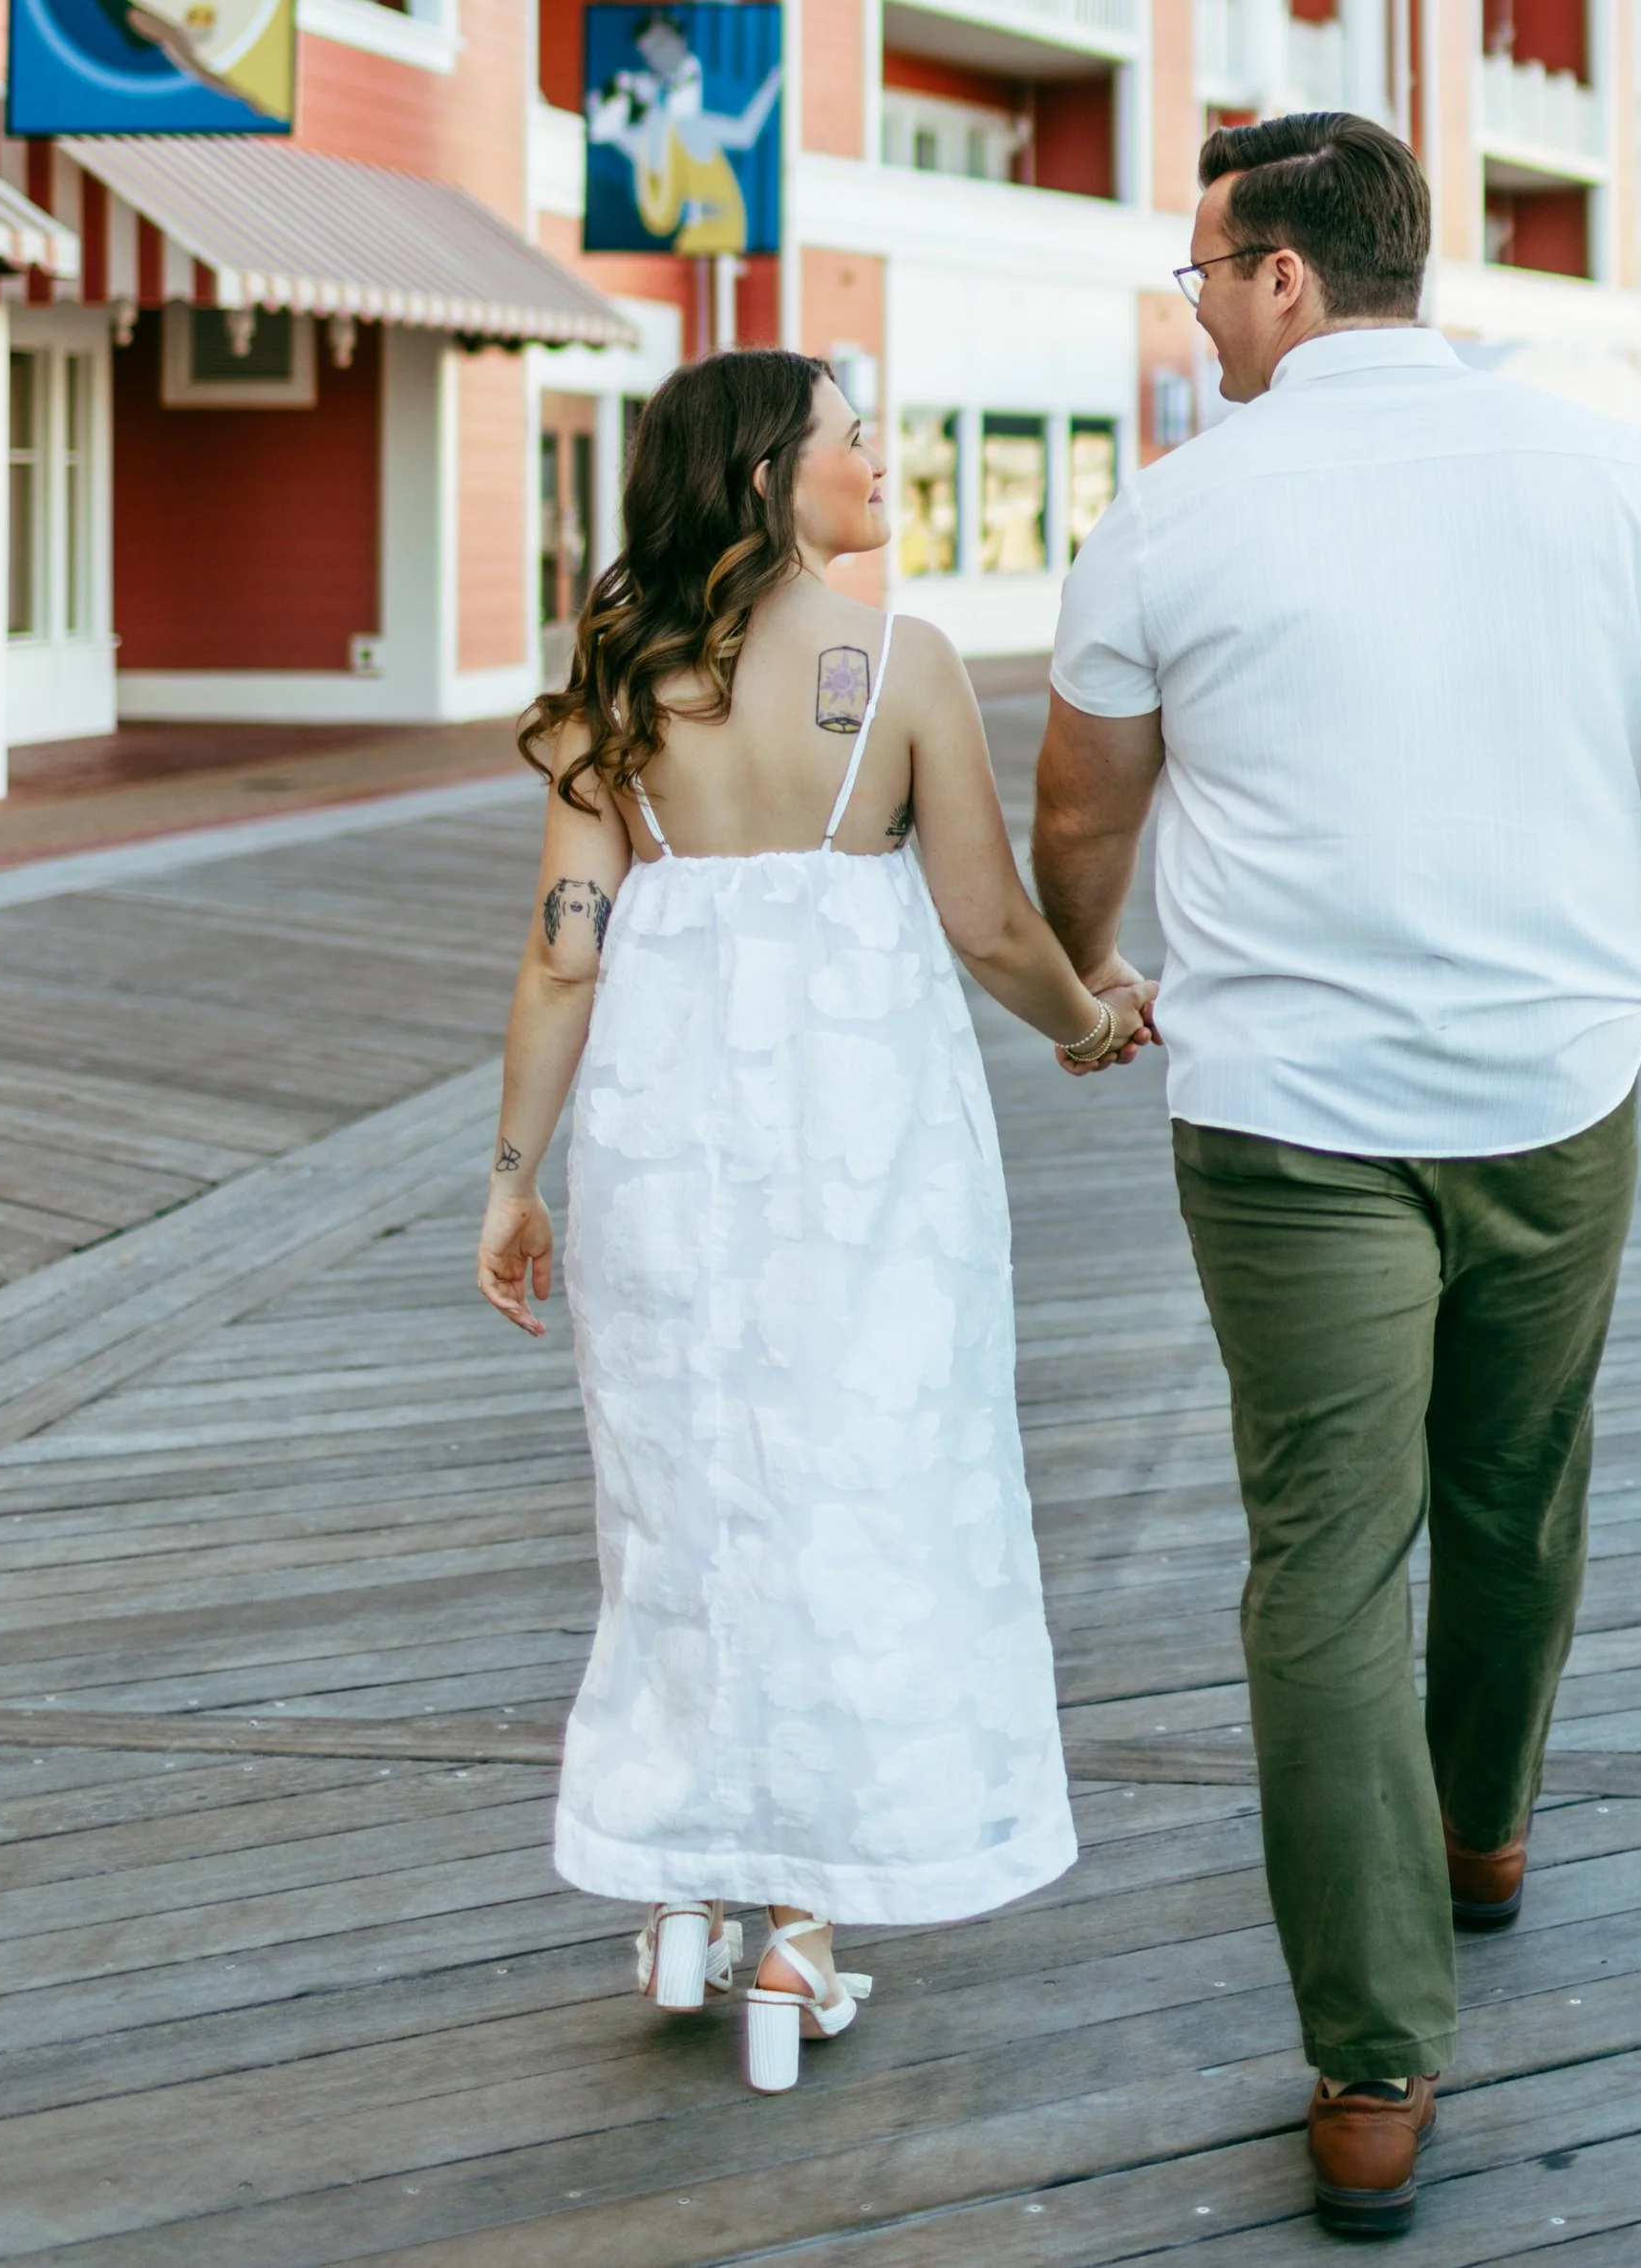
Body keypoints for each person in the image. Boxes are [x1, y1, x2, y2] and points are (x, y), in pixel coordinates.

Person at [1033, 115, 1641, 2239]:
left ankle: (1371, 2058)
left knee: (1320, 1560)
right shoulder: (1602, 473)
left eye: (1201, 275)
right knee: (1513, 1484)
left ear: (1284, 277)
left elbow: (1078, 812)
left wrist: (1090, 974)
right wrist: (1623, 973)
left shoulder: (1172, 518)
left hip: (1285, 1116)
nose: (1191, 315)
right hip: (1554, 1089)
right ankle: (1477, 1834)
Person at [477, 352, 1148, 2096]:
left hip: (661, 1141)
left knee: (682, 1488)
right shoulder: (900, 664)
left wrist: (510, 1173)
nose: (881, 455)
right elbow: (993, 924)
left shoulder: (622, 679)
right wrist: (1086, 1021)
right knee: (861, 1483)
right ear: (776, 470)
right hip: (868, 1144)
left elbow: (566, 943)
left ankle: (691, 1883)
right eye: (854, 434)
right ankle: (801, 1924)